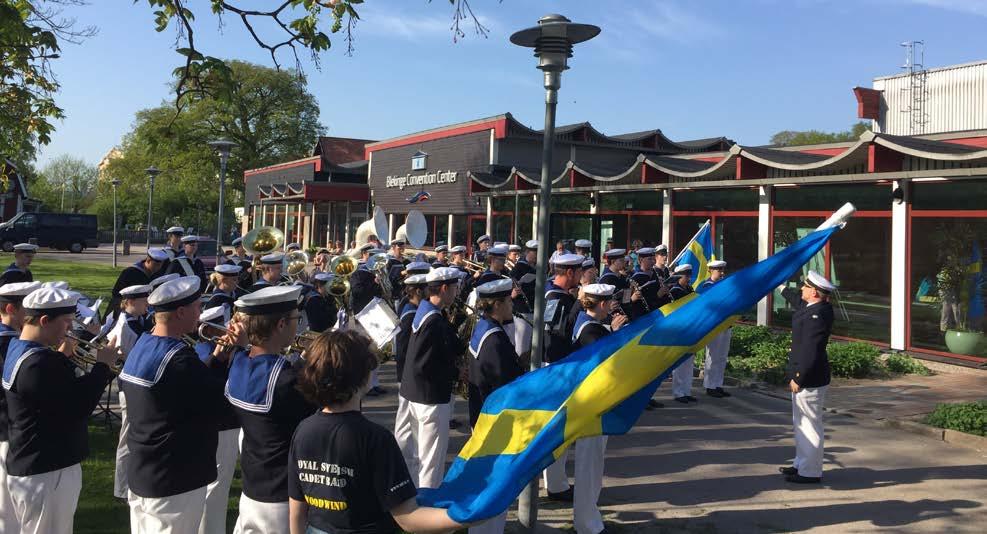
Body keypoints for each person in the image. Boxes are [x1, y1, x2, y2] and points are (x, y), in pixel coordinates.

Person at [288, 329, 464, 534]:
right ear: (361, 376)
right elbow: (409, 518)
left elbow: (297, 512)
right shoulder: (376, 439)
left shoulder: (302, 431)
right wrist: (465, 516)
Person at [118, 276, 232, 533]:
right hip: (175, 477)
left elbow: (182, 391)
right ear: (181, 312)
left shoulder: (144, 344)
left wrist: (217, 359)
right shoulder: (179, 359)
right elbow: (220, 405)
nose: (200, 314)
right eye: (196, 308)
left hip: (145, 471)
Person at [3, 286, 117, 533]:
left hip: (34, 464)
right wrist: (102, 366)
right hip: (47, 469)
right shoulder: (39, 363)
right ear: (44, 321)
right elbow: (78, 407)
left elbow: (47, 395)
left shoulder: (20, 348)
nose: (69, 329)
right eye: (66, 322)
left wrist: (63, 359)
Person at [225, 285, 317, 532]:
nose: (299, 326)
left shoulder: (238, 362)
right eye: (296, 320)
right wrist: (310, 363)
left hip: (252, 484)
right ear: (280, 325)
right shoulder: (287, 379)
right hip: (281, 493)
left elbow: (244, 352)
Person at [464, 278, 526, 534]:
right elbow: (506, 385)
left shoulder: (484, 327)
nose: (512, 304)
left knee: (486, 483)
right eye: (508, 301)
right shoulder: (495, 340)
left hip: (480, 416)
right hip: (494, 422)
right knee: (494, 487)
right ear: (497, 304)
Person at [399, 267, 464, 488]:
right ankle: (428, 506)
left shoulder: (426, 311)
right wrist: (456, 373)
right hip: (431, 397)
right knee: (431, 461)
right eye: (454, 288)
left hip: (417, 394)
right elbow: (423, 363)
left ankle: (419, 498)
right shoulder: (432, 320)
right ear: (444, 288)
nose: (456, 293)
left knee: (421, 457)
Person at [571, 283, 628, 534]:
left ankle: (589, 516)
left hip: (594, 402)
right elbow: (602, 361)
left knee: (593, 462)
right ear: (602, 304)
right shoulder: (590, 330)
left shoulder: (588, 323)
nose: (612, 308)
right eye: (610, 303)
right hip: (591, 404)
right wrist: (615, 332)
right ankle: (587, 524)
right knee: (589, 464)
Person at [782, 270, 835, 484]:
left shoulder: (817, 315)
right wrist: (780, 286)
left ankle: (810, 472)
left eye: (804, 286)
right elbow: (797, 300)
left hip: (810, 378)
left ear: (814, 292)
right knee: (801, 424)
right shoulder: (813, 307)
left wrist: (798, 377)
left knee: (810, 425)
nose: (801, 289)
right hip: (809, 377)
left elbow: (810, 350)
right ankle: (801, 464)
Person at [542, 253, 585, 502]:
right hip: (558, 367)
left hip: (554, 365)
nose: (580, 276)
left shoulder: (553, 295)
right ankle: (556, 486)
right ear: (570, 273)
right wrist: (578, 304)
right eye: (578, 271)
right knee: (559, 429)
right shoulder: (559, 298)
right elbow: (556, 335)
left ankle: (556, 482)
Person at [0, 281, 41, 532]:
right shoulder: (7, 344)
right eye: (29, 309)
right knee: (10, 515)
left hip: (9, 429)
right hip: (8, 431)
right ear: (12, 309)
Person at [108, 284, 153, 501]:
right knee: (127, 436)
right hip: (130, 385)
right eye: (144, 299)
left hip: (138, 384)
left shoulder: (139, 320)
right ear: (131, 302)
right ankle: (121, 488)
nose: (148, 303)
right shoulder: (127, 325)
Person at [392, 273, 428, 481]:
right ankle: (403, 466)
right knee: (406, 423)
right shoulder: (410, 314)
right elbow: (404, 350)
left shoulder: (411, 309)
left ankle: (405, 464)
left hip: (407, 375)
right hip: (407, 375)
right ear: (417, 290)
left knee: (406, 421)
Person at [698, 260, 733, 399]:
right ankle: (709, 385)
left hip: (726, 324)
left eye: (723, 270)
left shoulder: (724, 285)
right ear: (711, 271)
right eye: (719, 270)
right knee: (712, 356)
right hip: (714, 325)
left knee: (722, 356)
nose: (722, 273)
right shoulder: (707, 286)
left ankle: (718, 384)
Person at [105, 247, 168, 321]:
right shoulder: (130, 272)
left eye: (160, 265)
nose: (158, 268)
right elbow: (116, 294)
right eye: (156, 265)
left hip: (147, 312)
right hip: (126, 311)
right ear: (148, 260)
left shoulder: (158, 274)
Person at [669, 264, 698, 404]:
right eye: (686, 276)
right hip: (680, 329)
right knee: (680, 362)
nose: (688, 278)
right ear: (679, 276)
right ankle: (678, 392)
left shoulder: (689, 289)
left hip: (690, 327)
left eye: (689, 275)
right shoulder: (675, 291)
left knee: (689, 361)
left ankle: (687, 390)